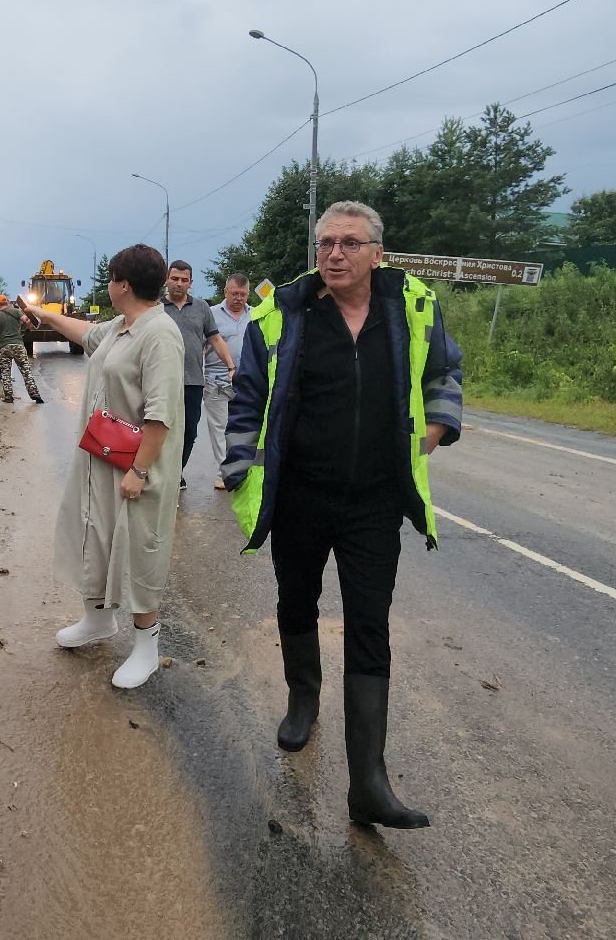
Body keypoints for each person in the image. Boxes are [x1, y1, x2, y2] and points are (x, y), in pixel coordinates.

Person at [223, 201, 463, 829]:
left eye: (350, 244)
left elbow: (444, 372)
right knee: (296, 599)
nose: (334, 254)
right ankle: (304, 696)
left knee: (369, 622)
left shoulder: (410, 309)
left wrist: (432, 434)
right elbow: (248, 392)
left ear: (376, 253)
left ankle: (369, 782)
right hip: (301, 492)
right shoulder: (286, 314)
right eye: (326, 242)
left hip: (375, 501)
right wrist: (239, 462)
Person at [23, 244, 183, 689]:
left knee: (137, 551)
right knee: (95, 536)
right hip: (102, 458)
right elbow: (85, 334)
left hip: (135, 466)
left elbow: (162, 413)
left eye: (111, 278)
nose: (108, 285)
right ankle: (97, 619)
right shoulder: (119, 328)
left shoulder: (160, 335)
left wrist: (141, 471)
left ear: (124, 285)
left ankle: (147, 646)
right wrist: (45, 318)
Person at [161, 261, 232, 488]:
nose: (179, 283)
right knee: (159, 430)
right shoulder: (155, 308)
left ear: (190, 282)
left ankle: (176, 472)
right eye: (175, 278)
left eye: (184, 280)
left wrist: (231, 367)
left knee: (189, 432)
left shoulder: (202, 308)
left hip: (192, 381)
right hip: (160, 382)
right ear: (167, 279)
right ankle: (161, 475)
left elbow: (215, 339)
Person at [203, 273, 252, 490]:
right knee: (221, 428)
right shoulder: (211, 314)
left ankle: (242, 469)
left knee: (245, 427)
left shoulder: (255, 315)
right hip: (217, 381)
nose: (239, 298)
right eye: (235, 293)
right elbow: (201, 347)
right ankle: (224, 472)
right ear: (226, 292)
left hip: (248, 382)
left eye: (243, 294)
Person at [0, 293, 43, 404]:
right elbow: (27, 321)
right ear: (7, 302)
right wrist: (27, 328)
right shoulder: (16, 311)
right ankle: (34, 393)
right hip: (18, 345)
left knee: (5, 373)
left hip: (4, 348)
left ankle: (8, 397)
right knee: (26, 371)